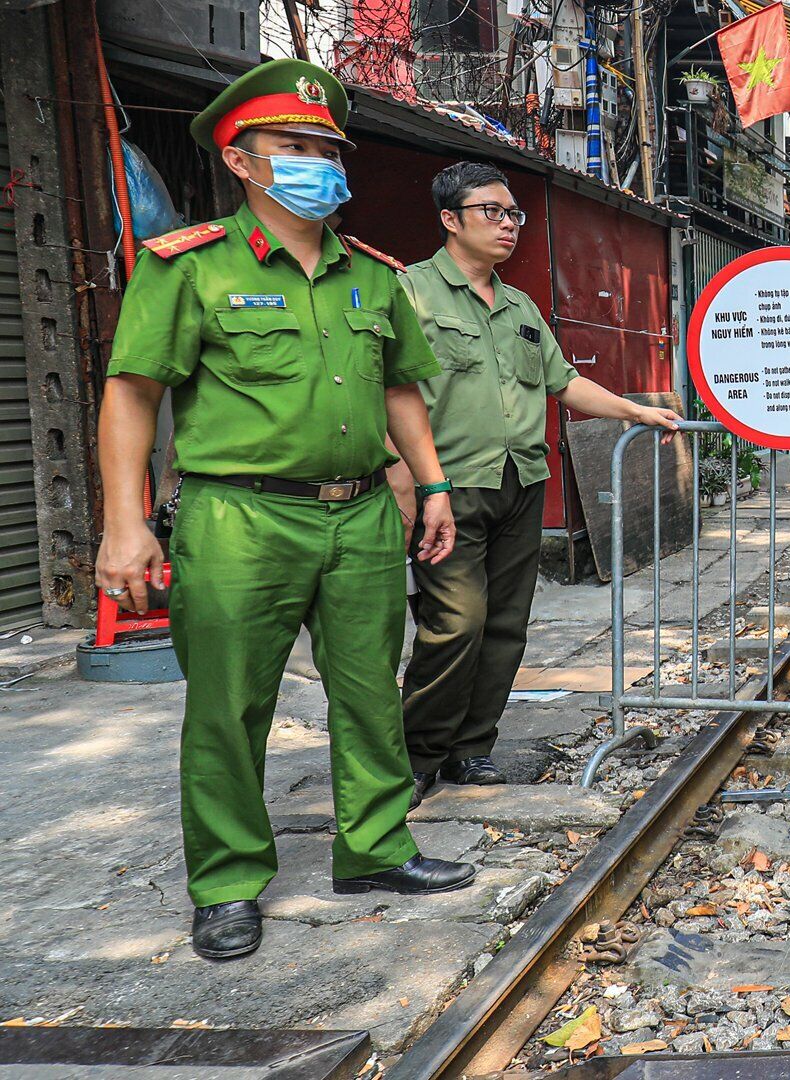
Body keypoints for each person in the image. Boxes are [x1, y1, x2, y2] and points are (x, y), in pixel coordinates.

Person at [95, 60, 475, 962]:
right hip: (240, 518)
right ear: (242, 160)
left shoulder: (372, 275)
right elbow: (132, 393)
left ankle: (375, 848)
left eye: (327, 149)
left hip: (360, 519)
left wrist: (432, 486)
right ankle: (227, 882)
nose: (318, 163)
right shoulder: (187, 268)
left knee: (367, 693)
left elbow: (399, 391)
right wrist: (125, 521)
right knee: (228, 706)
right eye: (295, 147)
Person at [396, 162, 681, 806]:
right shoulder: (410, 294)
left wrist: (636, 411)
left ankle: (472, 749)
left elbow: (563, 382)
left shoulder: (521, 306)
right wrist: (406, 482)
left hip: (519, 481)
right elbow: (391, 393)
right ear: (450, 219)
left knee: (506, 624)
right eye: (490, 212)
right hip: (448, 485)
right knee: (453, 623)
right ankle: (418, 754)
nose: (507, 225)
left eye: (513, 215)